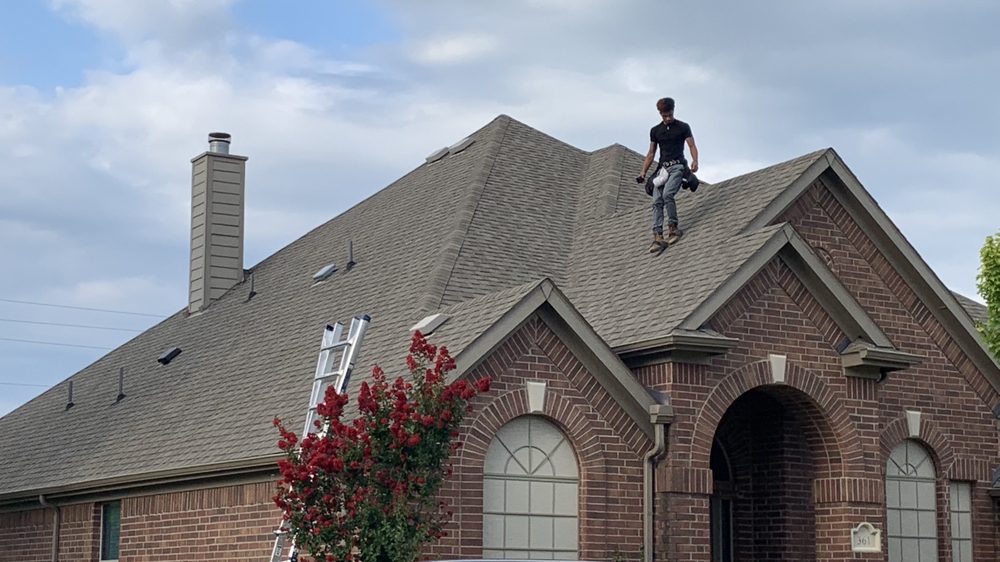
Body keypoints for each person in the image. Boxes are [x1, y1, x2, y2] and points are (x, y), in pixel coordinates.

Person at [636, 97, 699, 252]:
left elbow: (691, 145)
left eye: (670, 114)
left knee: (668, 195)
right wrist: (643, 172)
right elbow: (651, 153)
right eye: (665, 116)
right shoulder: (656, 131)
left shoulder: (683, 127)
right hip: (662, 169)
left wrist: (695, 160)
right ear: (660, 114)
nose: (668, 118)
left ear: (673, 111)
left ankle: (673, 227)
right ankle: (658, 236)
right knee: (657, 200)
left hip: (677, 166)